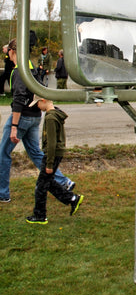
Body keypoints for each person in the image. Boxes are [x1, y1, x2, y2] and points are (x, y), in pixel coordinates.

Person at [0, 39, 74, 203]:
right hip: (34, 117)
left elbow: (19, 99)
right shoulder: (30, 68)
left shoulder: (19, 71)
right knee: (36, 153)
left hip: (22, 117)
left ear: (12, 52)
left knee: (3, 153)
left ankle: (3, 193)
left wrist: (14, 126)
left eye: (7, 51)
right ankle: (64, 182)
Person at [26, 95, 84, 224]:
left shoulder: (50, 118)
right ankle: (72, 198)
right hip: (55, 153)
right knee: (48, 182)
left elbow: (51, 142)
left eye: (37, 104)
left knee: (41, 186)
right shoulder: (55, 113)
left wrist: (49, 163)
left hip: (51, 154)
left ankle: (40, 216)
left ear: (43, 101)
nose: (37, 107)